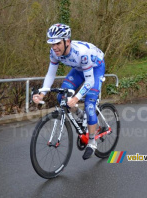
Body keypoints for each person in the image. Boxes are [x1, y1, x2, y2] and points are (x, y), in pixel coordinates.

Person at [32, 23, 105, 160]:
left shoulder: (81, 53)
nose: (54, 47)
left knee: (90, 105)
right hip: (78, 70)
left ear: (67, 41)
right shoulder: (54, 53)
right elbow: (50, 75)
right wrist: (42, 93)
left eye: (58, 43)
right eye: (52, 44)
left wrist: (76, 98)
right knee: (62, 97)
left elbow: (89, 82)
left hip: (95, 68)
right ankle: (80, 115)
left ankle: (92, 141)